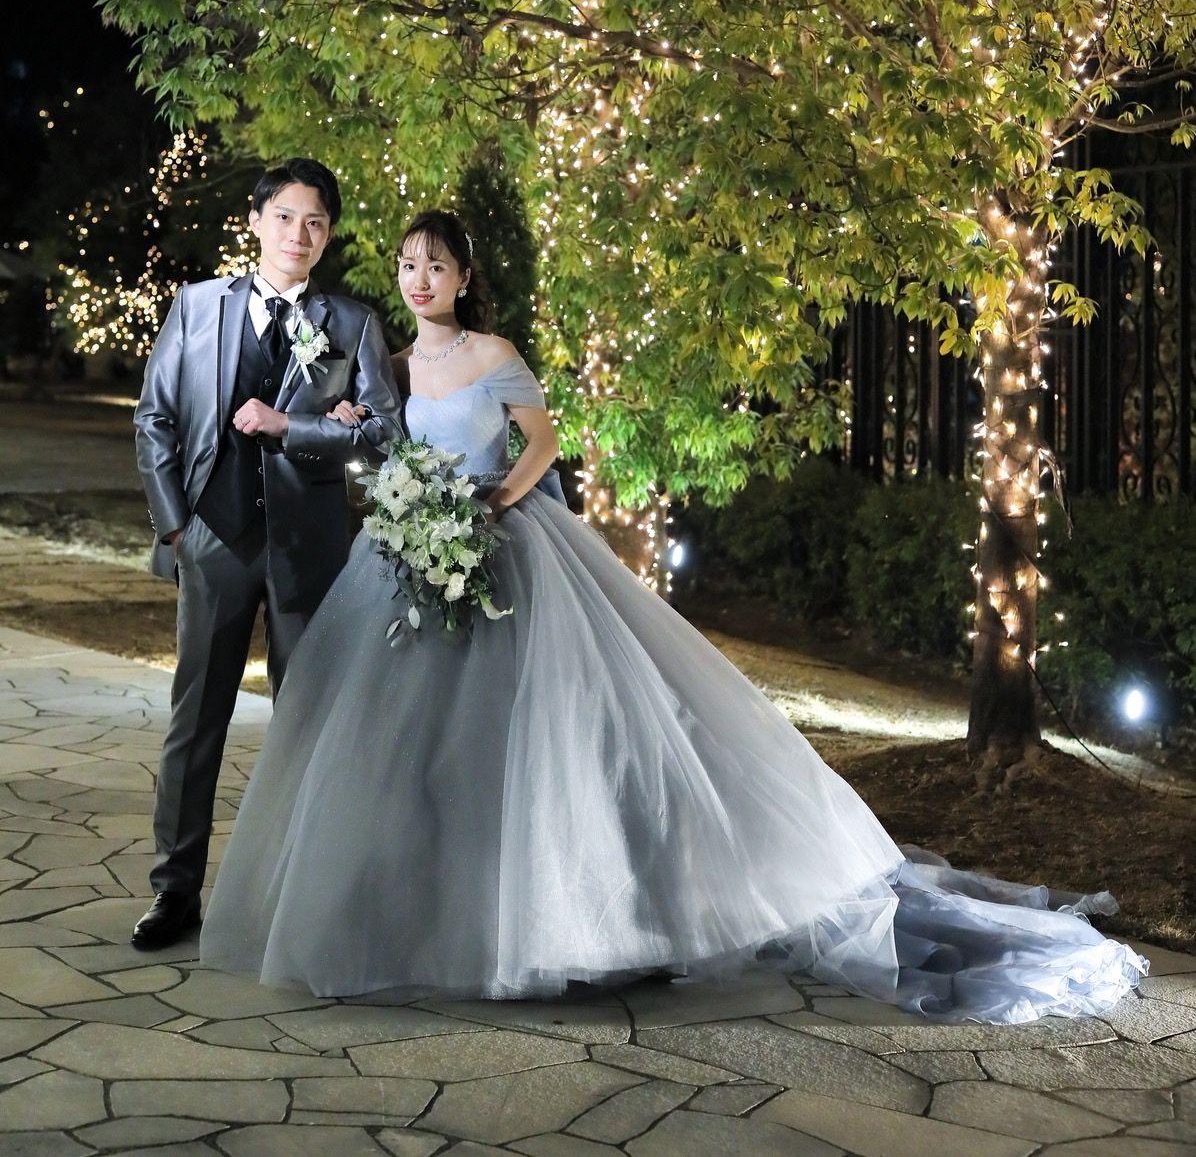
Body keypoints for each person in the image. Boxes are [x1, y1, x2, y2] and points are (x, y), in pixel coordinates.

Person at [199, 209, 1146, 1020]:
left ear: (464, 277)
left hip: (509, 546)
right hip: (413, 555)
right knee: (417, 749)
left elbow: (542, 443)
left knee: (535, 741)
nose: (419, 279)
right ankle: (418, 915)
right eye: (409, 264)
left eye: (436, 265)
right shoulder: (395, 365)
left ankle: (582, 921)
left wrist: (494, 503)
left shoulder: (496, 355)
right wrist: (369, 461)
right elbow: (377, 440)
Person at [131, 158, 403, 951]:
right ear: (255, 220)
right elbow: (154, 420)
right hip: (212, 540)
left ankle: (300, 899)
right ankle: (174, 889)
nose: (298, 234)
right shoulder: (196, 306)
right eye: (285, 216)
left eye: (315, 221)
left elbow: (385, 436)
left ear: (329, 233)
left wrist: (300, 427)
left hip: (307, 550)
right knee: (195, 722)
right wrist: (177, 528)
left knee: (307, 724)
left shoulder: (352, 323)